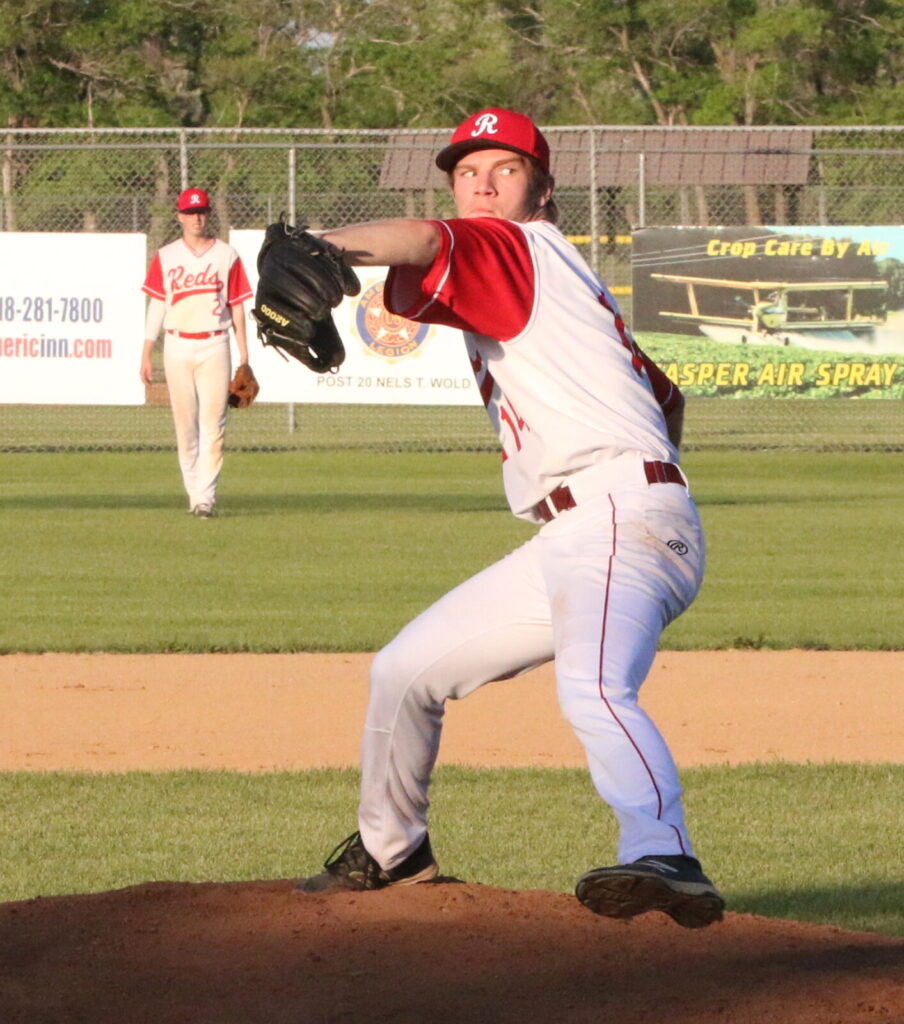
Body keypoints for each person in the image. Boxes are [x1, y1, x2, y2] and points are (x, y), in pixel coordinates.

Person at [296, 109, 725, 928]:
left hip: (617, 519)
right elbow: (669, 400)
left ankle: (663, 851)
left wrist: (322, 245)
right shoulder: (562, 282)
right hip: (581, 527)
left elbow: (422, 243)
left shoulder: (517, 244)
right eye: (467, 172)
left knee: (595, 684)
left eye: (505, 168)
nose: (483, 184)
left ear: (543, 191)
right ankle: (391, 851)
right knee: (404, 671)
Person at [140, 187, 253, 518]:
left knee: (214, 424)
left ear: (208, 214)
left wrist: (244, 355)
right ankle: (194, 493)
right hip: (176, 344)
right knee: (185, 424)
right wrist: (146, 351)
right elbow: (157, 305)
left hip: (215, 344)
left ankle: (206, 498)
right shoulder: (167, 255)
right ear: (179, 216)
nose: (196, 217)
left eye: (201, 211)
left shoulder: (226, 255)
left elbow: (237, 307)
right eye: (190, 212)